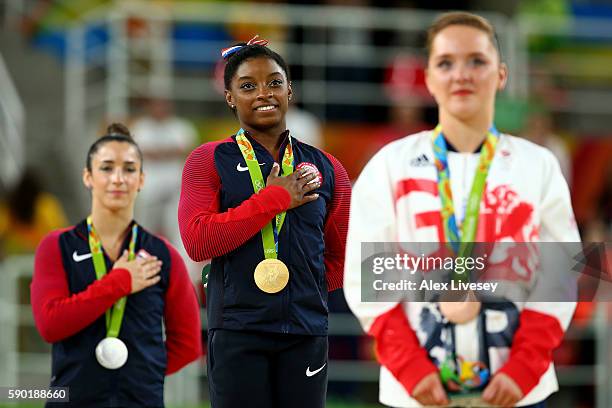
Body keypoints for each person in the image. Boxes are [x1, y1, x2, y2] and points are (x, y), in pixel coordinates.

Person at [344, 12, 579, 408]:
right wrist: (411, 369)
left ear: (501, 75)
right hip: (417, 391)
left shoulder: (538, 164)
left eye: (477, 61)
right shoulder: (389, 164)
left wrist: (524, 368)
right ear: (429, 78)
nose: (461, 74)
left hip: (519, 391)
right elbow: (365, 278)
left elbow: (566, 272)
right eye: (445, 63)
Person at [178, 36, 351, 408]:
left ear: (290, 90)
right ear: (229, 98)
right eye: (247, 86)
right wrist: (273, 200)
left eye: (274, 82)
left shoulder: (328, 167)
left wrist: (306, 286)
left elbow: (341, 256)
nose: (263, 93)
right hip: (238, 330)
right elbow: (197, 242)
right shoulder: (207, 160)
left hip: (305, 330)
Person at [31, 123, 202, 407]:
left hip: (140, 400)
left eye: (130, 169)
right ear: (88, 176)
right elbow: (50, 324)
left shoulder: (164, 255)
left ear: (142, 179)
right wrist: (119, 281)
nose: (118, 178)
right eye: (107, 168)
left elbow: (187, 345)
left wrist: (137, 370)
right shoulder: (57, 246)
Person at [131, 97, 198, 236]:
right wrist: (170, 151)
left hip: (175, 182)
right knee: (145, 221)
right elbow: (138, 152)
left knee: (175, 222)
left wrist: (158, 152)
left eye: (163, 105)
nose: (160, 109)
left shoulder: (181, 126)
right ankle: (142, 249)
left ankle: (178, 254)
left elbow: (189, 150)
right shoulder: (140, 126)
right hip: (149, 183)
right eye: (156, 106)